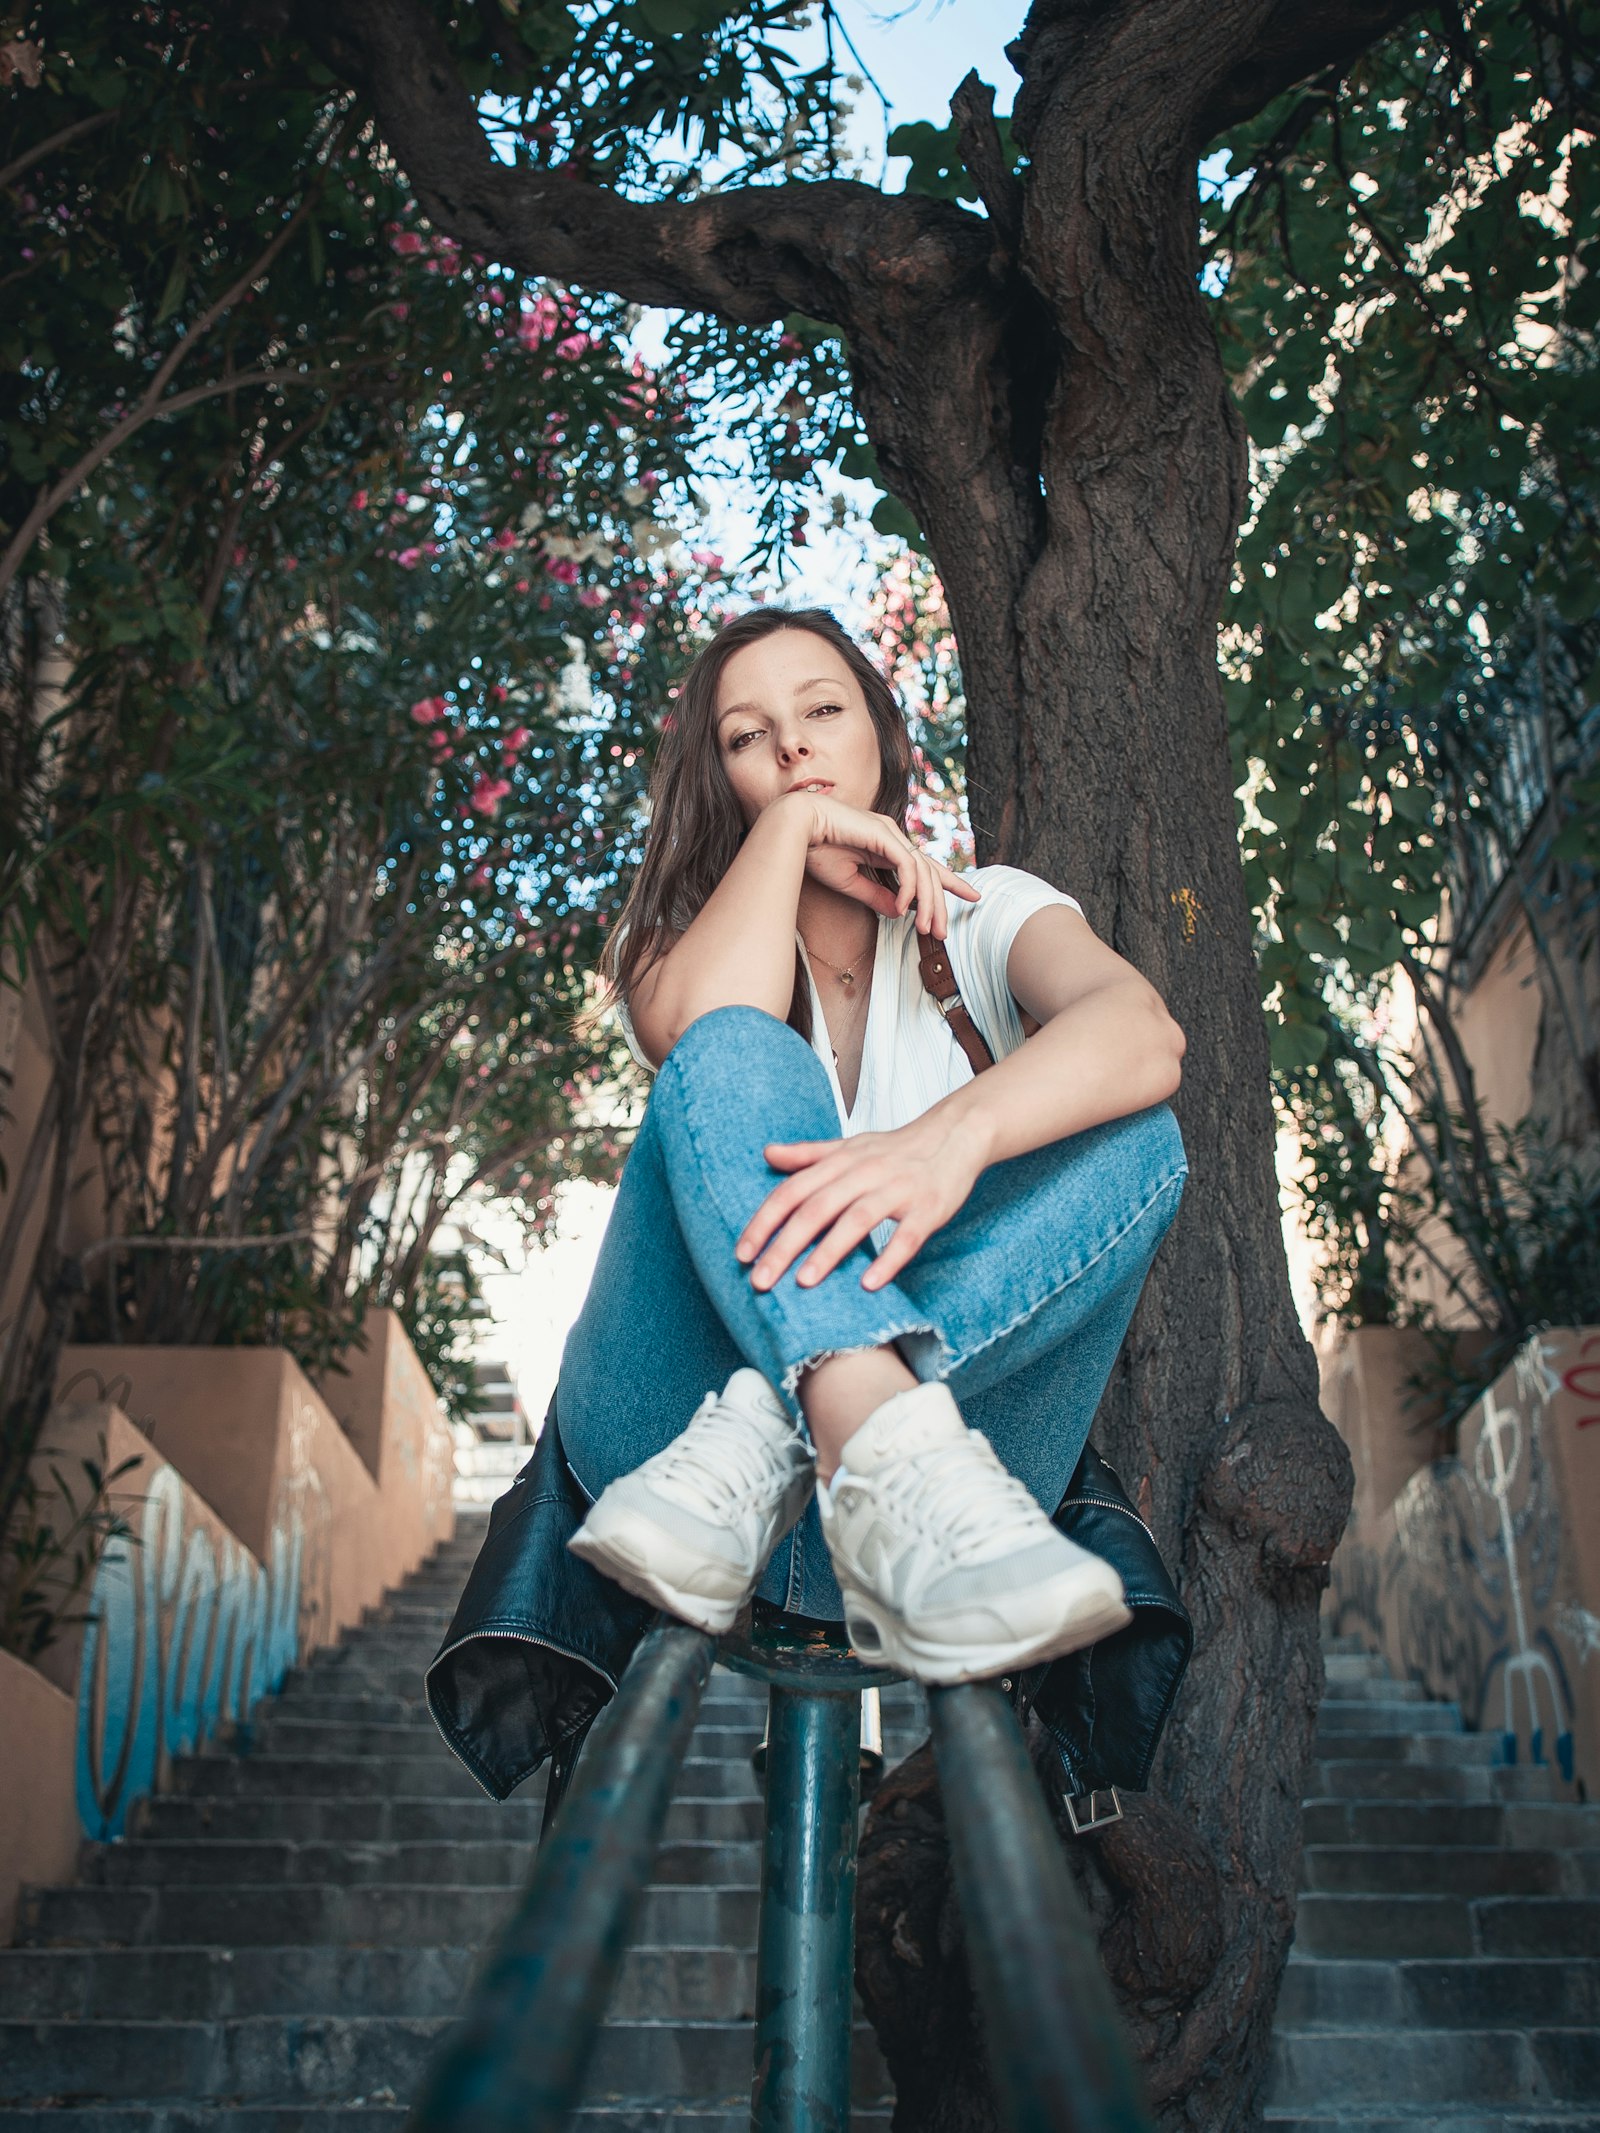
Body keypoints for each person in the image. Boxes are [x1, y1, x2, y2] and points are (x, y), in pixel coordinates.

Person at [557, 605, 1188, 1686]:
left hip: (948, 1499)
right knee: (739, 1051)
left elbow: (1143, 1035)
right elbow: (702, 1036)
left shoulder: (988, 914)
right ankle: (845, 1424)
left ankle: (813, 1427)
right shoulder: (673, 946)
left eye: (820, 711)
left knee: (1143, 1137)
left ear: (883, 741)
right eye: (748, 736)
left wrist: (945, 1143)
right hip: (679, 1464)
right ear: (723, 782)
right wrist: (793, 832)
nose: (793, 746)